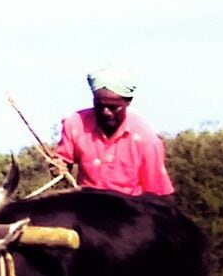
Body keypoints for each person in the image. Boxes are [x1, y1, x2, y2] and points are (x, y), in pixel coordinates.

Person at [52, 65, 174, 197]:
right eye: (100, 105)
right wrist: (58, 167)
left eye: (113, 107)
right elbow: (62, 164)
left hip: (129, 206)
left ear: (128, 102)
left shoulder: (146, 138)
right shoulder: (75, 124)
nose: (106, 112)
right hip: (86, 204)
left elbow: (157, 193)